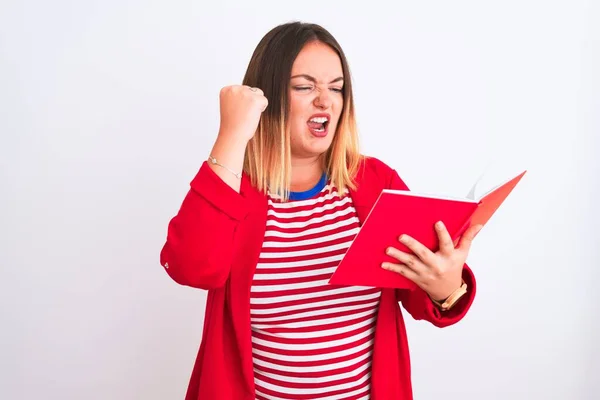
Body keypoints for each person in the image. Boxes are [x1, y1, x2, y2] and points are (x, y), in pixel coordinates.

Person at [160, 21, 482, 400]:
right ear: (265, 99)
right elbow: (192, 267)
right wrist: (232, 135)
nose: (325, 100)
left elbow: (421, 294)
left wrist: (448, 288)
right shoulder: (235, 189)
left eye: (336, 88)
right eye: (304, 86)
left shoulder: (375, 182)